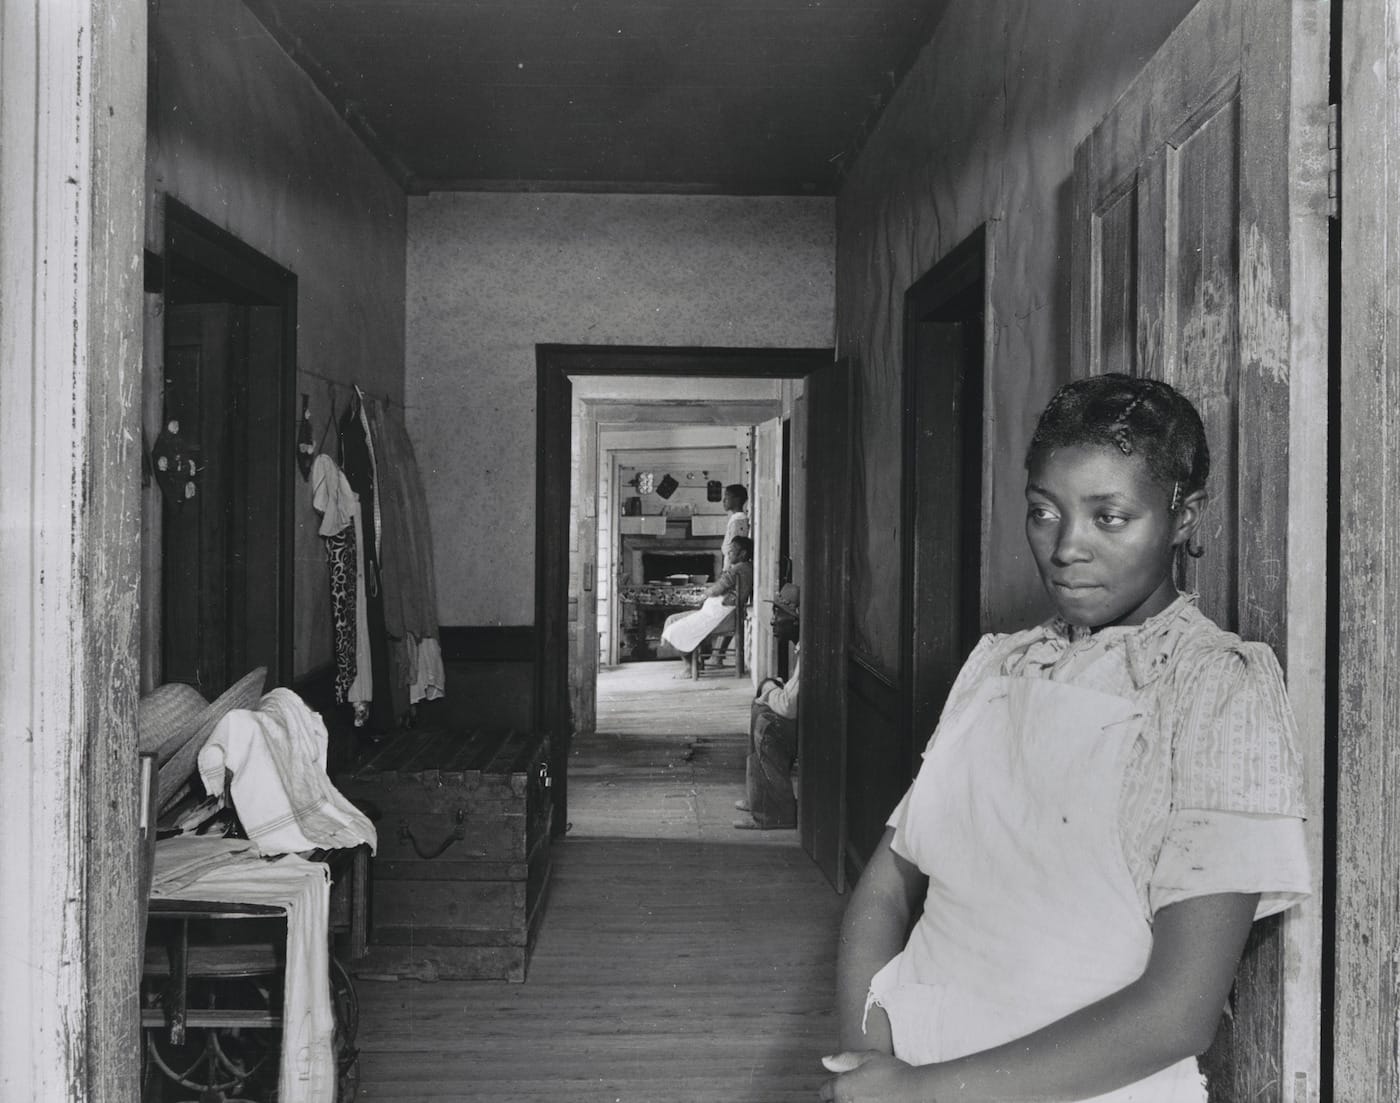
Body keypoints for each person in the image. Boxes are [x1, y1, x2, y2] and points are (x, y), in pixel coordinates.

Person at [821, 374, 1310, 1103]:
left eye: (1109, 517)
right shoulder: (999, 665)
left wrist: (923, 1092)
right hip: (904, 1063)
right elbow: (887, 885)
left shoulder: (1214, 687)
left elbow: (1177, 1014)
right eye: (1044, 512)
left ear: (1184, 517)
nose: (1066, 547)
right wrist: (869, 1061)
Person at [734, 582, 800, 830]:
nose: (772, 621)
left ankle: (773, 814)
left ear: (795, 620)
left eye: (778, 614)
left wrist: (769, 688)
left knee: (766, 722)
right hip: (807, 721)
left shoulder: (810, 652)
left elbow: (789, 708)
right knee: (759, 709)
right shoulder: (802, 647)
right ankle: (758, 799)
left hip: (813, 728)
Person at [660, 536, 753, 677]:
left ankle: (690, 667)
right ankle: (690, 663)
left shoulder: (738, 570)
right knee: (672, 620)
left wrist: (706, 593)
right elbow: (721, 587)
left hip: (722, 618)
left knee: (674, 626)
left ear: (743, 554)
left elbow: (716, 590)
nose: (729, 554)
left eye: (732, 552)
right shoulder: (744, 568)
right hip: (718, 614)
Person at [712, 484, 751, 666]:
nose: (723, 500)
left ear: (736, 499)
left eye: (726, 497)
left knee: (727, 613)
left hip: (733, 573)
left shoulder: (738, 520)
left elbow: (737, 549)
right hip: (730, 571)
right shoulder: (734, 519)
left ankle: (718, 655)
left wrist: (728, 573)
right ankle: (718, 655)